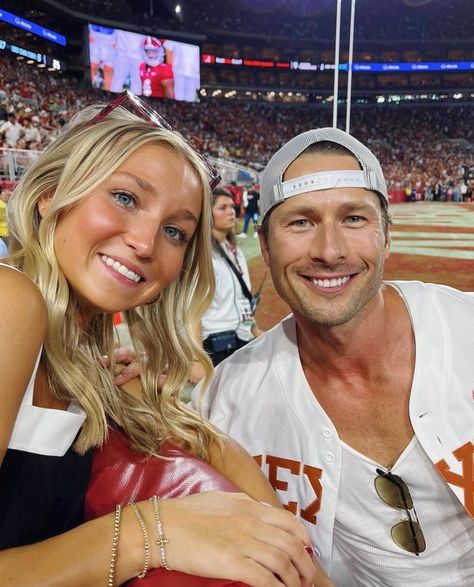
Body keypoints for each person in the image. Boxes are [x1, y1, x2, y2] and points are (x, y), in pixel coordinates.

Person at [0, 93, 321, 587]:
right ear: (50, 194)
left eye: (175, 231)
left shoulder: (87, 353)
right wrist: (150, 532)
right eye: (125, 198)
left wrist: (307, 569)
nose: (146, 243)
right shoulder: (10, 299)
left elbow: (211, 445)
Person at [195, 128, 474, 585]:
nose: (329, 251)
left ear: (387, 238)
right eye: (300, 222)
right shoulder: (228, 400)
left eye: (354, 219)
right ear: (266, 247)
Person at [190, 187, 263, 382]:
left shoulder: (235, 251)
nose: (231, 211)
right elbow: (192, 311)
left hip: (241, 339)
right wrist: (197, 360)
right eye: (223, 207)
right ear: (207, 214)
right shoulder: (201, 257)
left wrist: (256, 331)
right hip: (217, 345)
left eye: (232, 206)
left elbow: (242, 300)